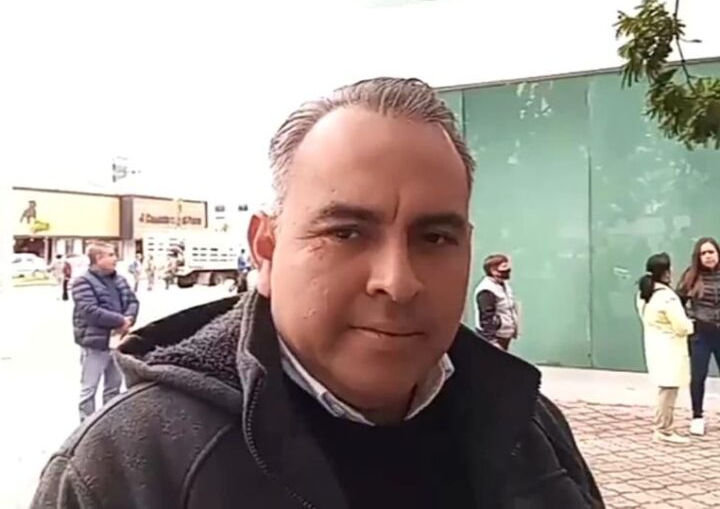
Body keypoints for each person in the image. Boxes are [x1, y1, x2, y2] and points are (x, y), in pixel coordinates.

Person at [32, 77, 601, 508]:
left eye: (434, 238)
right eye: (346, 233)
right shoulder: (127, 466)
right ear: (266, 249)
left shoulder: (527, 426)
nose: (397, 281)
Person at [70, 242, 139, 422]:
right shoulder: (82, 282)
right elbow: (90, 310)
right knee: (89, 389)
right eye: (111, 255)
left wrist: (129, 318)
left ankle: (110, 424)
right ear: (98, 258)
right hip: (95, 344)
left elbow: (133, 302)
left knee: (113, 388)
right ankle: (86, 425)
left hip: (118, 341)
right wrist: (120, 321)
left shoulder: (119, 280)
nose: (115, 259)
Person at [636, 252, 693, 444]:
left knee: (665, 389)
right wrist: (691, 324)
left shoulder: (644, 294)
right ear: (666, 272)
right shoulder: (667, 297)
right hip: (670, 349)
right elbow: (682, 326)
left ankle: (664, 428)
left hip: (655, 346)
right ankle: (664, 430)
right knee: (668, 392)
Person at [676, 237, 720, 437]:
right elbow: (677, 302)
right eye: (703, 253)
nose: (708, 256)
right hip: (701, 334)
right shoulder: (691, 277)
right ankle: (697, 417)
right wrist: (689, 320)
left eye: (711, 252)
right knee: (698, 376)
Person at [474, 253, 519, 350]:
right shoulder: (486, 290)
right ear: (493, 270)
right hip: (495, 338)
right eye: (504, 268)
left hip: (504, 335)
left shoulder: (503, 284)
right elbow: (486, 318)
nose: (508, 271)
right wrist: (492, 342)